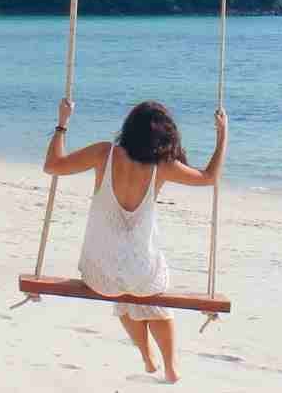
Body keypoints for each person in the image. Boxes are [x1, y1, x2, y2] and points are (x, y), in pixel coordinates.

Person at [43, 99, 228, 383]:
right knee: (147, 292)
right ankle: (170, 366)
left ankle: (147, 357)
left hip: (99, 275)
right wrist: (223, 134)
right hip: (142, 274)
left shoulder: (103, 153)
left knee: (123, 290)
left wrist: (62, 124)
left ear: (128, 128)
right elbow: (209, 177)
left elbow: (52, 166)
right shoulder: (163, 166)